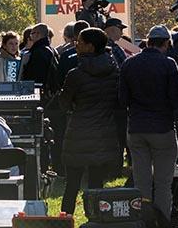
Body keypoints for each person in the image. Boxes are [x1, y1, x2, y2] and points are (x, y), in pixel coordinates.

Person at [119, 24, 178, 218]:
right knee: (163, 184)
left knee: (141, 182)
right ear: (165, 43)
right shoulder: (169, 64)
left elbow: (122, 99)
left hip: (137, 128)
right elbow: (176, 99)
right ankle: (162, 221)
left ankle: (142, 220)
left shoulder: (129, 64)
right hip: (162, 128)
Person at [59, 27, 121, 215]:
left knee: (72, 185)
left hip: (79, 132)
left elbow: (64, 103)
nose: (76, 44)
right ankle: (97, 219)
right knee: (96, 184)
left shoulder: (75, 75)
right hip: (104, 132)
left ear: (90, 47)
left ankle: (65, 220)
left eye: (80, 42)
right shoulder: (114, 70)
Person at [20, 23, 59, 95]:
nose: (30, 37)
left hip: (39, 92)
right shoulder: (52, 51)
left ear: (38, 34)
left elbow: (37, 74)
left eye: (32, 34)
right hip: (50, 91)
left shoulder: (38, 52)